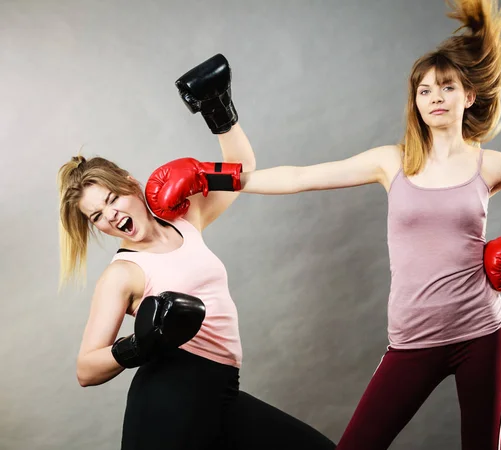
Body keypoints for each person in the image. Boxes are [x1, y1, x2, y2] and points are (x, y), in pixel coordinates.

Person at [146, 2, 501, 449]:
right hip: (413, 338)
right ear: (415, 103)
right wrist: (213, 176)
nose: (435, 97)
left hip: (483, 331)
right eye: (424, 91)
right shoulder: (393, 161)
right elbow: (302, 177)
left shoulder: (490, 164)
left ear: (469, 96)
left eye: (446, 87)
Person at [57, 54, 335, 450]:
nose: (111, 217)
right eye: (97, 216)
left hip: (221, 394)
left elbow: (240, 169)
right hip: (170, 403)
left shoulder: (185, 219)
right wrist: (140, 345)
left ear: (132, 184)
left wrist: (217, 108)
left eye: (113, 199)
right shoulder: (123, 273)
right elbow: (86, 369)